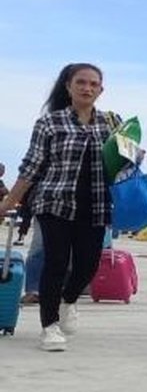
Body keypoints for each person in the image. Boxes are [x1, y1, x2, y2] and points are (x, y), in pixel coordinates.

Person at [0, 63, 114, 352]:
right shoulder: (50, 123)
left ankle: (69, 299)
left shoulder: (111, 123)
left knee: (88, 264)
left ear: (101, 89)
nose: (87, 88)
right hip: (55, 202)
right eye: (81, 82)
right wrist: (8, 202)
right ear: (68, 86)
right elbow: (31, 167)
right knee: (56, 263)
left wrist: (134, 154)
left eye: (93, 84)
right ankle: (49, 327)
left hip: (96, 204)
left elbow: (122, 163)